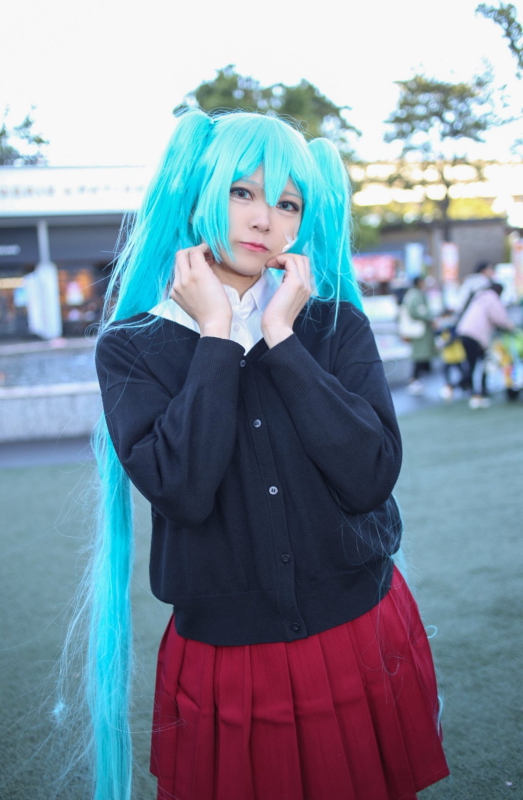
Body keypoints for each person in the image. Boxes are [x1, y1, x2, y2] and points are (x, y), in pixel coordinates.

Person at [72, 110, 449, 800]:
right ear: (200, 197)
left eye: (287, 203)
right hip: (229, 654)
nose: (263, 219)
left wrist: (281, 336)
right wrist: (217, 335)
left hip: (359, 627)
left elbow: (370, 475)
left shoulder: (334, 323)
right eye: (241, 192)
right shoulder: (132, 345)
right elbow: (182, 491)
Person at [457, 282, 515, 408]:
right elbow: (500, 317)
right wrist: (510, 326)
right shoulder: (491, 298)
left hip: (465, 332)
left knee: (471, 364)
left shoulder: (480, 297)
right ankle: (477, 394)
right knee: (478, 365)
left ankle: (470, 389)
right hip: (476, 336)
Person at [401, 276, 437, 395]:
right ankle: (414, 380)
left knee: (421, 356)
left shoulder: (414, 293)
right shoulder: (415, 294)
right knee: (419, 356)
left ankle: (417, 380)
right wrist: (429, 317)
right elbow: (416, 311)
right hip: (420, 331)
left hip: (421, 331)